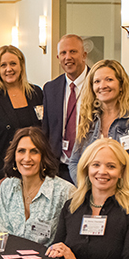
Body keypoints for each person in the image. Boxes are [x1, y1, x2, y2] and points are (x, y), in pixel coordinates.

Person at [0, 45, 44, 231]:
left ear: (21, 65)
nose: (9, 69)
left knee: (30, 227)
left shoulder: (36, 93)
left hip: (32, 173)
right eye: (3, 65)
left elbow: (42, 132)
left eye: (13, 63)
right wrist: (1, 175)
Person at [68, 59, 129, 197]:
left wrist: (113, 191)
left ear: (121, 85)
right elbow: (74, 163)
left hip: (128, 198)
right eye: (97, 81)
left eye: (109, 79)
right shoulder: (88, 120)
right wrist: (91, 189)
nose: (102, 85)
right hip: (92, 198)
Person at [0, 127, 73, 246]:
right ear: (14, 156)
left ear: (43, 157)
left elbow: (71, 241)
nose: (27, 158)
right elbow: (1, 232)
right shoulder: (7, 186)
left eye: (34, 151)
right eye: (21, 151)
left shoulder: (65, 192)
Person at [42, 34, 89, 184]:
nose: (68, 57)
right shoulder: (50, 88)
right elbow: (46, 130)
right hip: (58, 169)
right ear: (58, 57)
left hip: (89, 167)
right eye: (63, 53)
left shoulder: (98, 84)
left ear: (84, 55)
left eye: (73, 52)